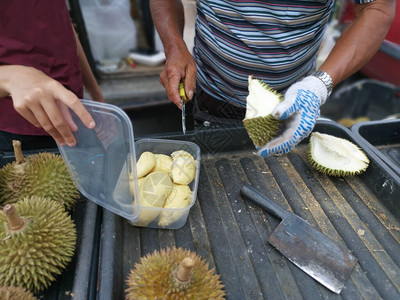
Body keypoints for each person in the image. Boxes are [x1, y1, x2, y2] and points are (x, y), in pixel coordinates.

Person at [150, 0, 395, 156]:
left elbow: (377, 8)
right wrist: (174, 47)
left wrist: (319, 85)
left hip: (291, 105)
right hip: (212, 95)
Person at [0, 0, 105, 152]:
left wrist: (96, 95)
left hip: (74, 109)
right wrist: (11, 77)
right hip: (16, 128)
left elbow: (61, 23)